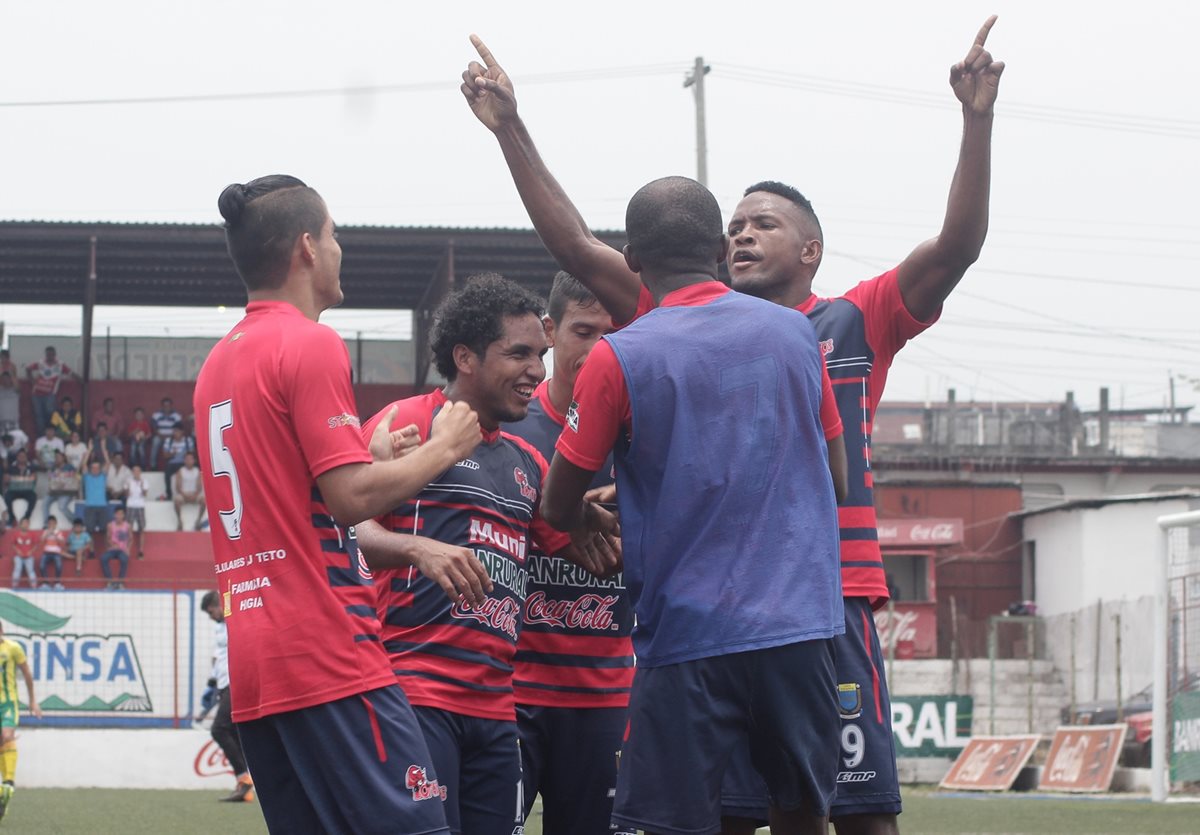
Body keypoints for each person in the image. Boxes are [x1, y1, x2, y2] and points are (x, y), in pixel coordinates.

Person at [464, 22, 1003, 833]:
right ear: (712, 250)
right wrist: (511, 127)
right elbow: (576, 244)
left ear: (812, 249)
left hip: (831, 601)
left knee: (854, 813)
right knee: (732, 813)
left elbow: (958, 245)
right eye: (737, 224)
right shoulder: (660, 324)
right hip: (719, 618)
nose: (746, 232)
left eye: (766, 222)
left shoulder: (851, 321)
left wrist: (976, 119)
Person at [535, 176, 844, 835]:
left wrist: (595, 513)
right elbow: (836, 478)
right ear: (716, 247)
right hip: (798, 625)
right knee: (801, 814)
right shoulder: (796, 334)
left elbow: (557, 502)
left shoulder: (620, 353)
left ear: (633, 259)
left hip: (688, 638)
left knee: (676, 824)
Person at [193, 174, 482, 835]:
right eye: (333, 234)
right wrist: (444, 447)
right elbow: (349, 501)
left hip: (259, 661)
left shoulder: (218, 362)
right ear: (306, 248)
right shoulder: (311, 342)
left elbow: (294, 493)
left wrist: (372, 455)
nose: (339, 247)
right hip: (327, 648)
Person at [356, 274, 612, 835]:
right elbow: (344, 532)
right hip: (414, 695)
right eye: (518, 354)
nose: (536, 371)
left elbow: (598, 553)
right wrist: (417, 548)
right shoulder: (406, 424)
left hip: (498, 711)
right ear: (465, 356)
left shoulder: (526, 461)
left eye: (539, 355)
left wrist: (616, 513)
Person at [498, 272, 636, 835]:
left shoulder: (646, 439)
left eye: (614, 333)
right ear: (551, 332)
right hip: (509, 693)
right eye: (584, 331)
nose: (599, 349)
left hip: (605, 698)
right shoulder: (507, 427)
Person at [199, 591, 255, 803]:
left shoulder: (236, 620)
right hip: (223, 685)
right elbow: (219, 655)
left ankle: (245, 779)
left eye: (211, 611)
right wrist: (211, 685)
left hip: (237, 682)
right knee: (234, 731)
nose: (210, 616)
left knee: (219, 729)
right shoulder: (218, 628)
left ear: (219, 604)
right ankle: (244, 786)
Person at [0, 620, 43, 822]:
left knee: (7, 736)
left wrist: (33, 700)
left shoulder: (13, 648)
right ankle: (5, 789)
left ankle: (7, 783)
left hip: (8, 704)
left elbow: (26, 674)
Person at [25, 346, 77, 436]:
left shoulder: (60, 365)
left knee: (51, 415)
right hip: (36, 394)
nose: (49, 356)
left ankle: (51, 435)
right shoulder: (41, 363)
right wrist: (32, 381)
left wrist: (82, 380)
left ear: (54, 355)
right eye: (47, 354)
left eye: (51, 354)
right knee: (39, 417)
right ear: (45, 355)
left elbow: (71, 373)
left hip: (50, 395)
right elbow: (28, 369)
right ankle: (41, 437)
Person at [172, 452, 206, 531]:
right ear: (184, 461)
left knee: (204, 501)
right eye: (187, 459)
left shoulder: (197, 471)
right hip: (183, 494)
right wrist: (185, 495)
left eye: (190, 459)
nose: (188, 461)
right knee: (176, 500)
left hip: (194, 494)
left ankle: (198, 521)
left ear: (194, 461)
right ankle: (179, 521)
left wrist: (194, 495)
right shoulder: (181, 471)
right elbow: (178, 487)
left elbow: (199, 487)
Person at [43, 451, 79, 527]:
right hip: (55, 492)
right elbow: (51, 480)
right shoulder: (53, 468)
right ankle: (46, 524)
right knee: (45, 503)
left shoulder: (69, 467)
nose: (57, 459)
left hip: (66, 492)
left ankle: (76, 523)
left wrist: (63, 475)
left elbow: (76, 478)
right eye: (56, 457)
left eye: (59, 457)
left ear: (63, 458)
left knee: (62, 506)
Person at [160, 424, 195, 500]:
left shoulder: (187, 440)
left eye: (177, 431)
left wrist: (186, 454)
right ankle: (169, 494)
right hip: (172, 463)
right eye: (174, 431)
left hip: (184, 463)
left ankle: (188, 494)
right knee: (167, 474)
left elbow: (192, 453)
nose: (175, 433)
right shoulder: (168, 441)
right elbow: (165, 455)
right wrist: (173, 453)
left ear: (182, 432)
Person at [100, 507, 132, 590]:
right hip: (113, 549)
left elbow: (131, 539)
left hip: (123, 550)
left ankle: (120, 583)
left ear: (124, 515)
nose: (119, 516)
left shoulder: (127, 525)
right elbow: (107, 538)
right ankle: (110, 582)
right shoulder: (110, 525)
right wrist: (112, 545)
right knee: (103, 558)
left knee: (124, 559)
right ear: (114, 515)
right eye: (117, 514)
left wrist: (128, 548)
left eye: (121, 514)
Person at [1, 451, 37, 524]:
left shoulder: (31, 467)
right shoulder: (11, 467)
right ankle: (12, 517)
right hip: (14, 490)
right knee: (7, 497)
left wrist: (34, 478)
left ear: (26, 458)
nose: (22, 458)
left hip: (27, 490)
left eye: (23, 456)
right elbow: (5, 482)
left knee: (33, 496)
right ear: (17, 457)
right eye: (20, 456)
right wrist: (6, 479)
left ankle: (26, 517)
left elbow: (35, 480)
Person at [149, 398, 182, 468]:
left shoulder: (176, 415)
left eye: (168, 405)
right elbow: (154, 428)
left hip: (172, 437)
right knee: (155, 441)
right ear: (162, 406)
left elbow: (178, 428)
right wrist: (161, 436)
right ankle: (153, 465)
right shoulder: (156, 415)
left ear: (171, 406)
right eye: (165, 406)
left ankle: (172, 465)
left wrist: (171, 436)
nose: (167, 407)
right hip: (159, 436)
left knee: (175, 444)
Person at [80, 459, 109, 536]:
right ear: (90, 469)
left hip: (102, 506)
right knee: (89, 530)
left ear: (100, 469)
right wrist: (89, 450)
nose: (95, 469)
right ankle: (91, 548)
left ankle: (106, 548)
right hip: (89, 507)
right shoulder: (87, 477)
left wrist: (104, 450)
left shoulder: (103, 476)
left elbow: (108, 463)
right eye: (93, 467)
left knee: (105, 530)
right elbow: (84, 464)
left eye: (97, 468)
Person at [124, 465, 148, 560]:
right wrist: (128, 490)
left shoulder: (144, 481)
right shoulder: (128, 481)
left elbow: (145, 494)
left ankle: (141, 550)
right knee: (128, 528)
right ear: (132, 472)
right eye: (134, 471)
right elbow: (126, 494)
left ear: (140, 472)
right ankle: (127, 550)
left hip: (140, 506)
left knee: (141, 529)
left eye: (138, 471)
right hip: (130, 505)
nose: (136, 473)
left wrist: (141, 485)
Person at [38, 516, 67, 589]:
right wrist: (48, 533)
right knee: (41, 565)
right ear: (48, 524)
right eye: (49, 523)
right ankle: (46, 583)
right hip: (46, 552)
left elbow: (62, 542)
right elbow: (41, 540)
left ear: (56, 523)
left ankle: (57, 583)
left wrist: (54, 534)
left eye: (53, 523)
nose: (51, 525)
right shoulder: (45, 531)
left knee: (59, 565)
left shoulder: (58, 532)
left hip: (56, 552)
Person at [9, 519, 37, 590]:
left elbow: (36, 545)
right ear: (20, 525)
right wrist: (17, 551)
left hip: (29, 556)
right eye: (24, 523)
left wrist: (31, 551)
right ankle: (14, 587)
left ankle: (34, 587)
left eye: (27, 523)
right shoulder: (16, 534)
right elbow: (13, 544)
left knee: (30, 571)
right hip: (18, 556)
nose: (26, 525)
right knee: (17, 569)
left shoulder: (32, 534)